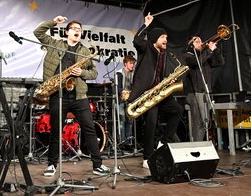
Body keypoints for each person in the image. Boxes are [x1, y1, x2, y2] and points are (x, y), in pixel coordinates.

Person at [34, 16, 110, 177]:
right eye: (74, 28)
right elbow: (37, 32)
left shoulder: (85, 51)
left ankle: (98, 164)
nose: (77, 31)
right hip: (57, 93)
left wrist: (82, 72)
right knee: (56, 131)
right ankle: (51, 165)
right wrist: (53, 21)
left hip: (78, 95)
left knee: (89, 129)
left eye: (79, 29)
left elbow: (94, 72)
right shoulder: (55, 44)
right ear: (67, 32)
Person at [127, 12, 182, 169]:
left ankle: (164, 142)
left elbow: (159, 75)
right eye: (163, 37)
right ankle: (147, 157)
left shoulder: (164, 55)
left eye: (166, 37)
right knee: (151, 123)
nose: (166, 39)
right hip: (147, 94)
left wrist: (168, 81)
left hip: (160, 93)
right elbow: (137, 40)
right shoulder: (146, 47)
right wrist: (146, 25)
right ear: (155, 39)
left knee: (177, 110)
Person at [181, 35, 225, 141]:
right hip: (194, 92)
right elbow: (196, 62)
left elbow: (220, 62)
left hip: (204, 91)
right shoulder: (187, 55)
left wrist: (216, 50)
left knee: (205, 121)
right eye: (196, 41)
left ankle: (199, 144)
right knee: (199, 121)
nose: (200, 43)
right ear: (190, 44)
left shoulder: (204, 56)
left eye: (201, 40)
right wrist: (209, 50)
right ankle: (197, 145)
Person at [117, 55, 136, 143]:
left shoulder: (135, 74)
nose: (132, 65)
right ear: (125, 64)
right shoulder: (119, 73)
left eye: (133, 63)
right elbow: (118, 88)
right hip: (121, 101)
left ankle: (129, 142)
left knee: (130, 121)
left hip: (131, 101)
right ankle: (122, 142)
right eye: (131, 63)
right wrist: (126, 93)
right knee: (122, 121)